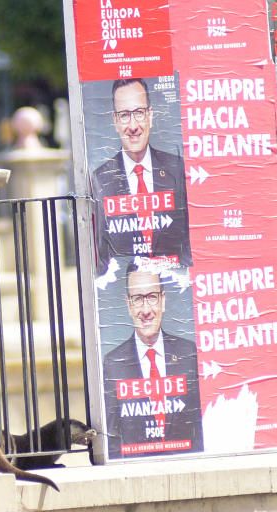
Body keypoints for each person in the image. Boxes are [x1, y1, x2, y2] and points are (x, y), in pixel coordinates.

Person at [91, 78, 191, 276]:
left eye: (139, 113)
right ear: (115, 120)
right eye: (125, 115)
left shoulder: (178, 169)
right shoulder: (100, 180)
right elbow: (102, 260)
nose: (134, 125)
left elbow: (190, 245)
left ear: (150, 116)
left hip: (178, 288)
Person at [102, 265, 203, 458]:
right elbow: (112, 441)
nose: (146, 310)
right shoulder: (113, 364)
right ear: (128, 305)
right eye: (138, 299)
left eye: (151, 297)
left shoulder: (189, 355)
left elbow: (201, 426)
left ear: (163, 301)